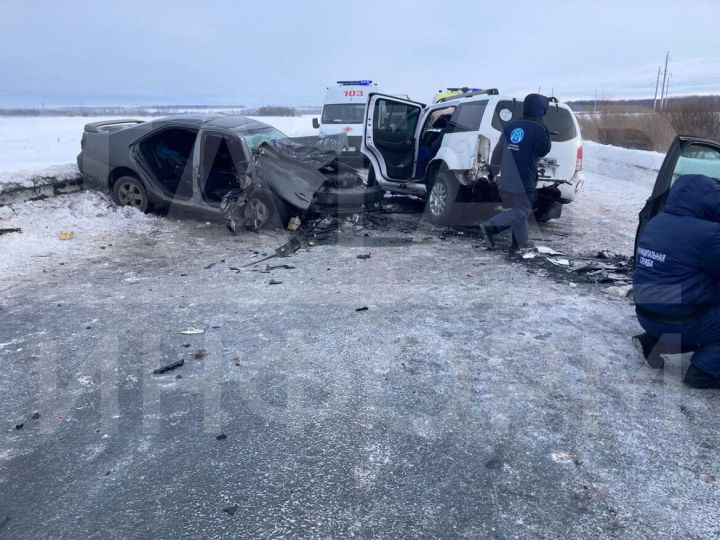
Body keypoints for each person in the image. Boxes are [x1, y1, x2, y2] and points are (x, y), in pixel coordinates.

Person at [633, 174, 720, 389]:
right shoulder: (708, 234)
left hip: (646, 311)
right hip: (679, 318)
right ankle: (704, 371)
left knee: (690, 297)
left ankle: (653, 343)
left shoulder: (655, 222)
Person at [484, 94, 551, 250]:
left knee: (518, 208)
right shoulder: (540, 128)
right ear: (541, 109)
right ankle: (492, 225)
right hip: (525, 176)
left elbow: (498, 151)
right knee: (523, 210)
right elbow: (543, 151)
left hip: (507, 175)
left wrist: (493, 170)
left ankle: (518, 243)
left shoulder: (511, 126)